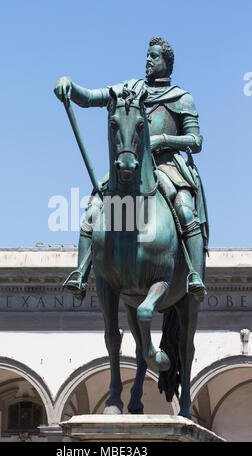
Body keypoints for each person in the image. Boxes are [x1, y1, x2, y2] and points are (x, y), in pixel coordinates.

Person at [54, 36, 208, 301]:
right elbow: (92, 97)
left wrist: (163, 140)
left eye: (154, 56)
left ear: (167, 63)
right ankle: (80, 273)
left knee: (184, 207)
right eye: (147, 56)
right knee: (94, 207)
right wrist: (70, 86)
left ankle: (194, 275)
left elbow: (196, 141)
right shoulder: (131, 89)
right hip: (130, 163)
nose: (148, 60)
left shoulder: (182, 99)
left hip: (167, 165)